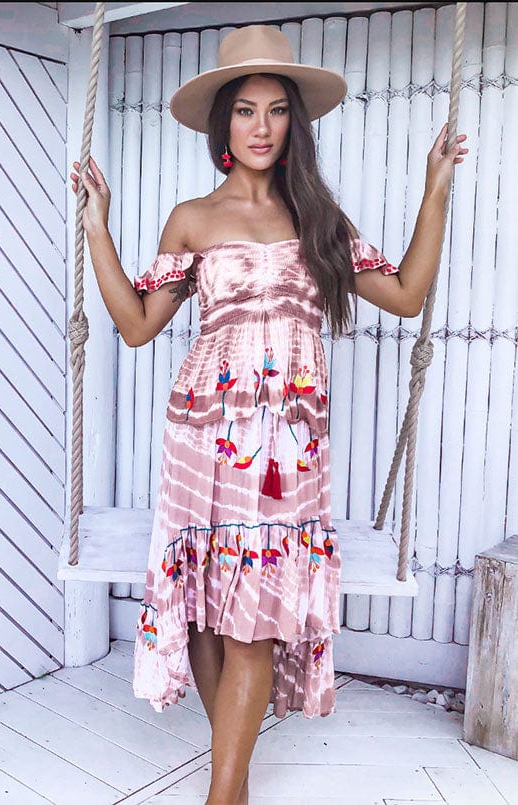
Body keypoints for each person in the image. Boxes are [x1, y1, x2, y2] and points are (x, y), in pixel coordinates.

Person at [70, 24, 468, 805]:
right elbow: (138, 325)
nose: (261, 127)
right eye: (246, 110)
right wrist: (96, 228)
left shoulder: (317, 218)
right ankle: (236, 786)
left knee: (251, 620)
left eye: (277, 110)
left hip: (287, 451)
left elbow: (406, 294)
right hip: (201, 439)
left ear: (294, 122)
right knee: (206, 616)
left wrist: (435, 189)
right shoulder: (192, 217)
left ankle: (222, 797)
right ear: (223, 124)